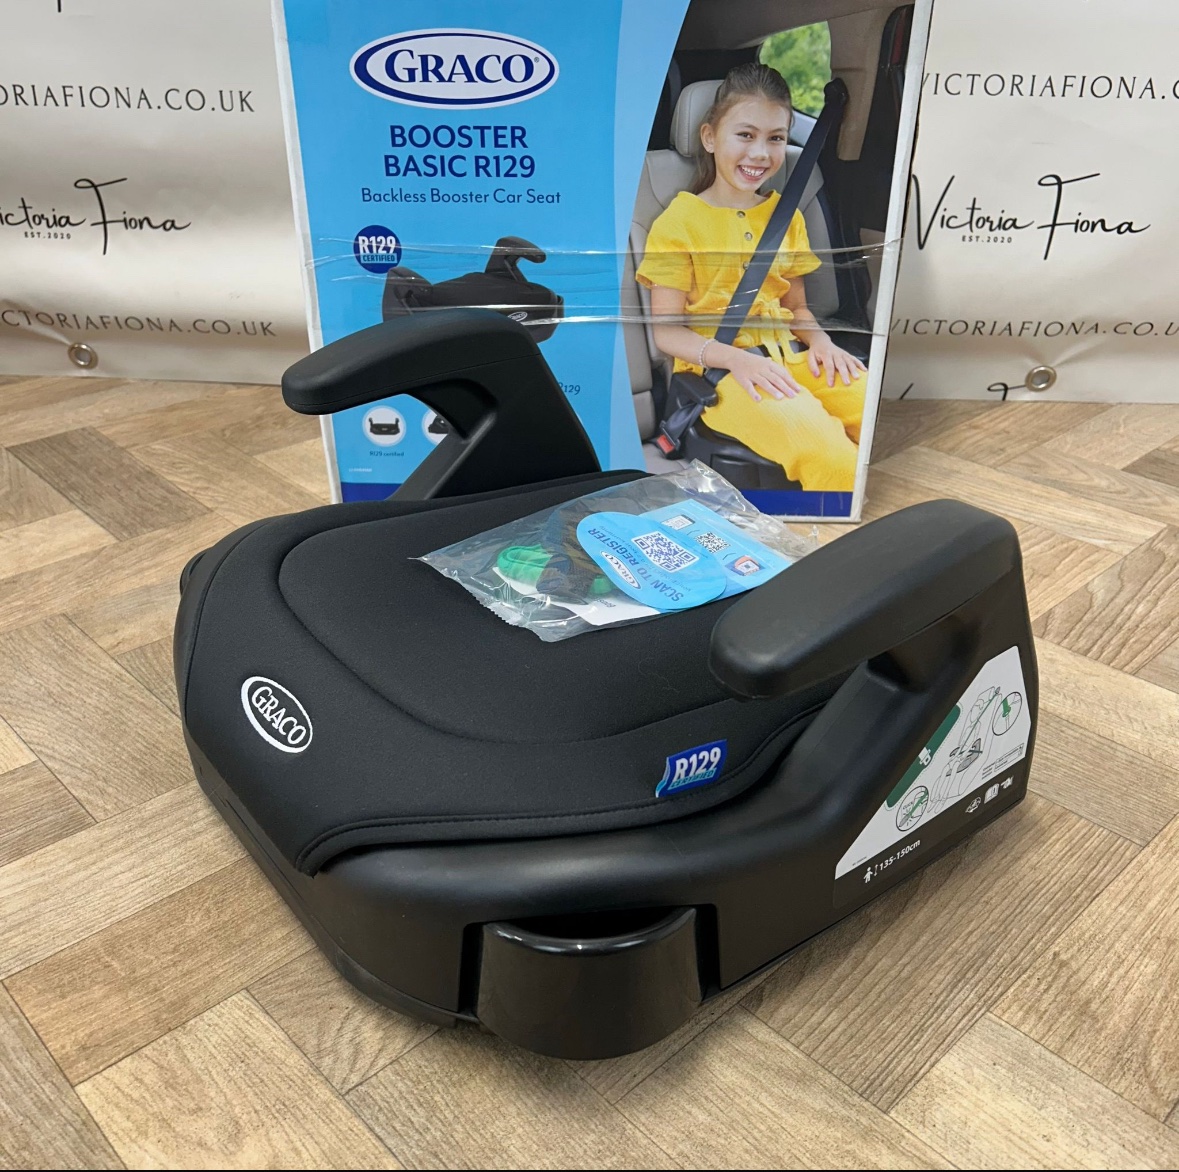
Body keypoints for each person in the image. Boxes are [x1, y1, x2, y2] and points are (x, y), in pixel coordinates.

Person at [637, 63, 867, 492]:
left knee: (879, 422)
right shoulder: (679, 223)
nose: (761, 153)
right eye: (745, 135)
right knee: (836, 462)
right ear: (710, 137)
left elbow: (797, 309)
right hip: (723, 373)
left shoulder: (786, 216)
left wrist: (822, 342)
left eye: (775, 138)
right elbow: (666, 333)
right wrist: (738, 360)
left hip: (795, 357)